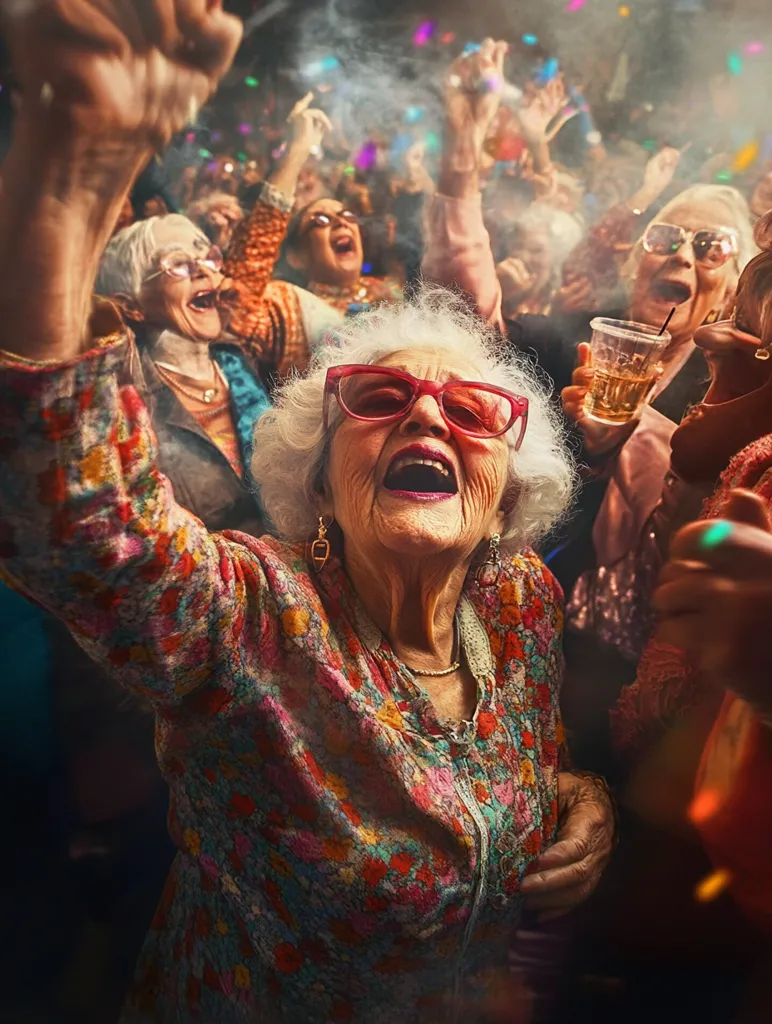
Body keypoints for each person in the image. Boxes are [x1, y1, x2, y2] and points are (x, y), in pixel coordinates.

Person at [0, 5, 615, 1021]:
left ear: (508, 487)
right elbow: (79, 521)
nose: (424, 409)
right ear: (321, 479)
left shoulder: (519, 603)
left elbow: (514, 768)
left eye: (468, 410)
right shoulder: (257, 618)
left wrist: (573, 798)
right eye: (377, 399)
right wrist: (71, 169)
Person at [281, 195, 403, 316]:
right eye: (321, 220)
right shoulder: (297, 312)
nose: (340, 221)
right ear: (295, 258)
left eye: (348, 215)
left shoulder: (388, 293)